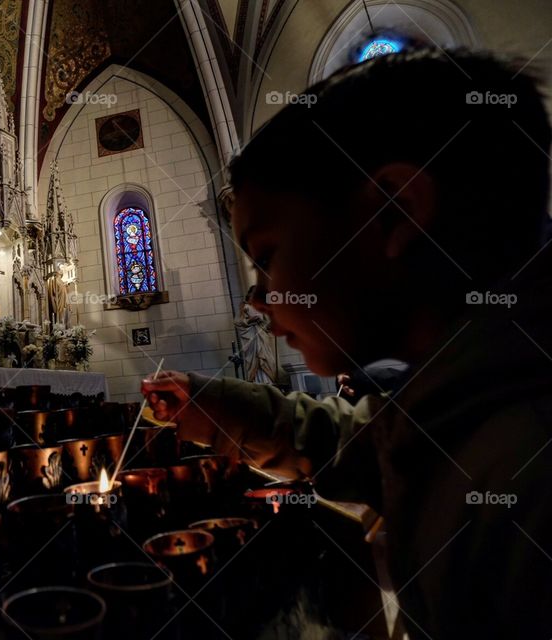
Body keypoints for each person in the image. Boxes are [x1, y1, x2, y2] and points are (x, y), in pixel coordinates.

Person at [142, 49, 552, 638]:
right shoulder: (467, 395)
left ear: (391, 213)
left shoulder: (526, 480)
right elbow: (356, 438)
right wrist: (212, 407)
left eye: (268, 257)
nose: (257, 300)